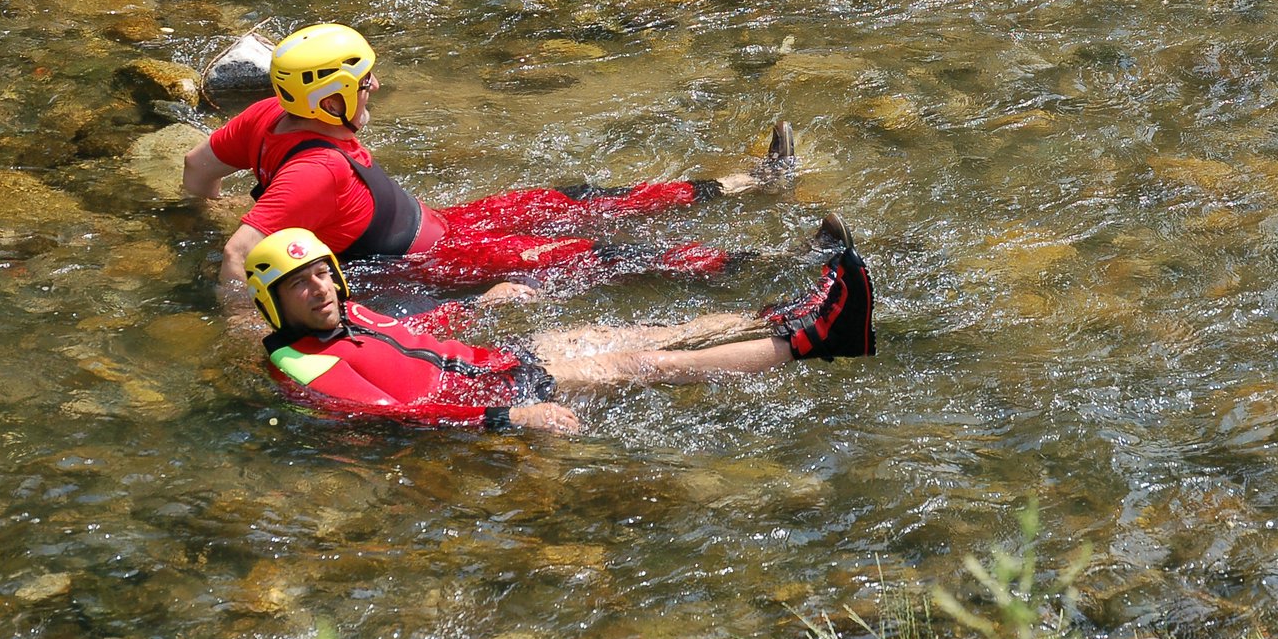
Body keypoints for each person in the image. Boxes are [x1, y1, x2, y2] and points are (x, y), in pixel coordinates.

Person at [182, 22, 796, 298]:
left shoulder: (265, 117)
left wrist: (201, 215)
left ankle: (756, 180)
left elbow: (195, 167)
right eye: (364, 81)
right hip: (436, 262)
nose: (373, 88)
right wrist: (251, 328)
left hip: (451, 222)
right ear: (329, 96)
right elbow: (240, 253)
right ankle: (767, 265)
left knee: (579, 201)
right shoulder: (315, 171)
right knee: (599, 255)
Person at [243, 220, 876, 433]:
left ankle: (785, 312)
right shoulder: (301, 364)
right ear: (275, 302)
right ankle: (816, 340)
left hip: (493, 357)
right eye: (299, 285)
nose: (319, 289)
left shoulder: (342, 310)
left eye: (324, 274)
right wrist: (504, 419)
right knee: (640, 365)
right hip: (494, 395)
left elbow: (408, 331)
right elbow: (401, 415)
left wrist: (476, 305)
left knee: (640, 330)